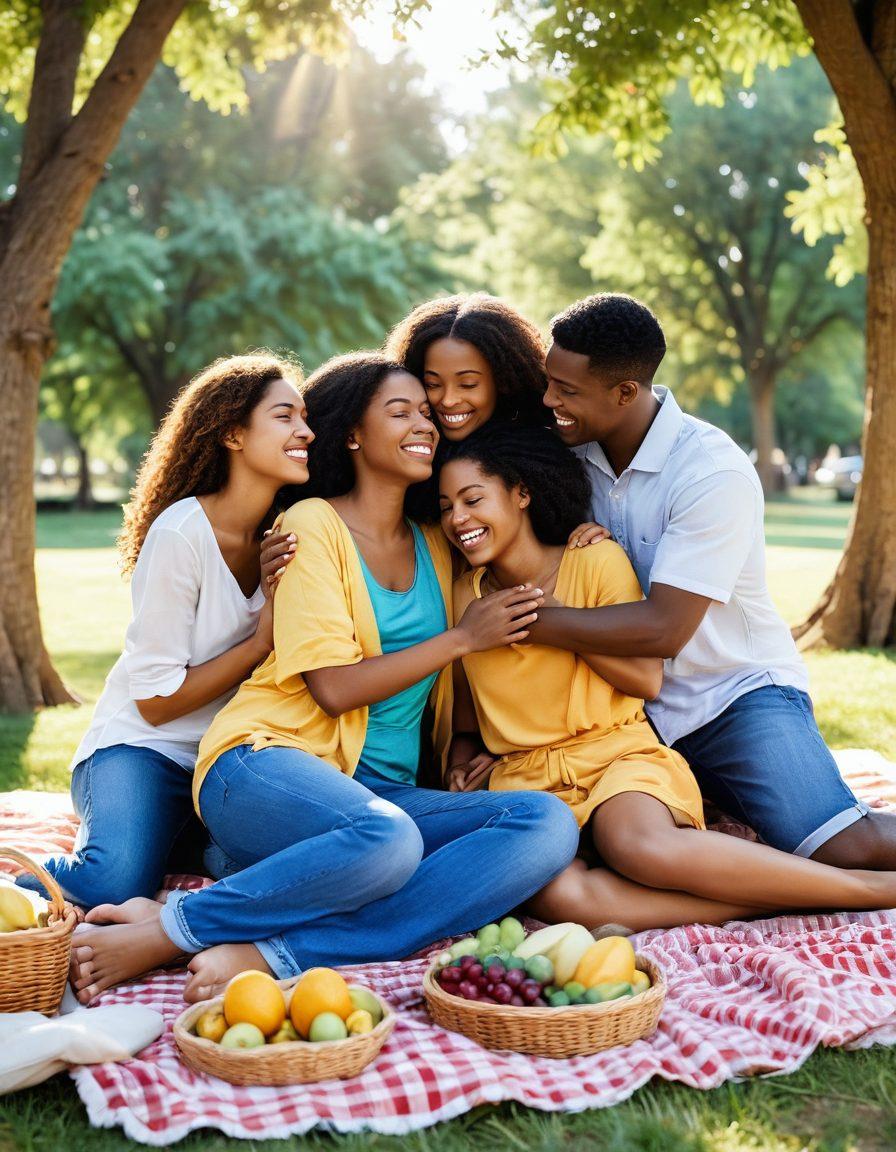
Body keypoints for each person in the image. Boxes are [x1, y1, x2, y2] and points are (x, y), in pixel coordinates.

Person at [70, 352, 578, 1005]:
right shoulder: (311, 526)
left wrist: (582, 540)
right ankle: (172, 930)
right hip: (265, 764)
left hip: (375, 794)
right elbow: (333, 687)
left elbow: (510, 552)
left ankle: (275, 950)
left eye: (425, 413)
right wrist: (460, 638)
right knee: (387, 839)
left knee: (543, 821)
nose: (424, 422)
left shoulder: (439, 541)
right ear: (354, 435)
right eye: (401, 411)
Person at [439, 425, 896, 928]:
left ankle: (872, 888)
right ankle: (792, 895)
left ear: (521, 493)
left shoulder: (593, 561)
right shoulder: (464, 596)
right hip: (526, 780)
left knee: (637, 845)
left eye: (472, 498)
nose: (458, 519)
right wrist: (461, 763)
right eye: (445, 507)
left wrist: (547, 620)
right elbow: (466, 714)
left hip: (615, 757)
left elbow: (645, 681)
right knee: (560, 897)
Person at [534, 292, 896, 869]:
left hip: (730, 695)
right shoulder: (568, 452)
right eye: (549, 382)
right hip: (625, 712)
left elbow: (664, 630)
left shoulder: (710, 471)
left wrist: (526, 622)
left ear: (626, 392)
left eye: (566, 391)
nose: (548, 401)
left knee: (837, 844)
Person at [17, 354, 311, 910]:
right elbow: (153, 702)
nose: (306, 431)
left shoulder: (290, 531)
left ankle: (173, 846)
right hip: (139, 751)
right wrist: (258, 643)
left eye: (304, 417)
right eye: (285, 416)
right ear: (231, 432)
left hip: (223, 762)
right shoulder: (182, 534)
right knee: (113, 883)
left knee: (263, 865)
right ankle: (14, 888)